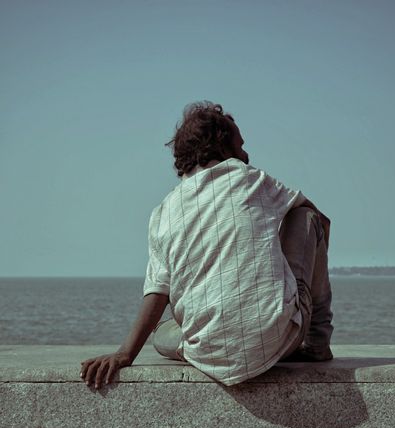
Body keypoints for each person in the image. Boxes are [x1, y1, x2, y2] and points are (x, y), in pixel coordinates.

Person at [80, 101, 333, 389]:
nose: (246, 154)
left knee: (162, 335)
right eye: (240, 146)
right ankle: (317, 342)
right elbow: (321, 222)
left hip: (207, 354)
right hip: (279, 339)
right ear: (223, 149)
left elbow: (158, 291)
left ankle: (221, 341)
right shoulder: (251, 179)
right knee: (305, 216)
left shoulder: (163, 212)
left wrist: (125, 353)